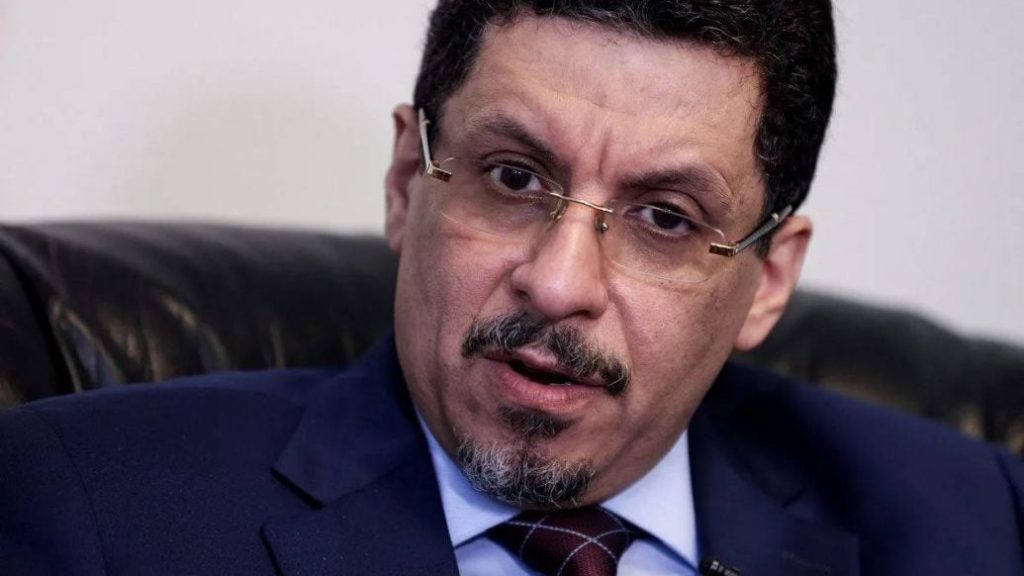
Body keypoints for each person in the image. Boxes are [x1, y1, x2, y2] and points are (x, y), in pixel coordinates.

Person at [1, 1, 1022, 575]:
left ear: (769, 282)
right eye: (514, 178)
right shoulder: (93, 510)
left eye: (666, 218)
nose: (559, 282)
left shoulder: (974, 524)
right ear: (405, 182)